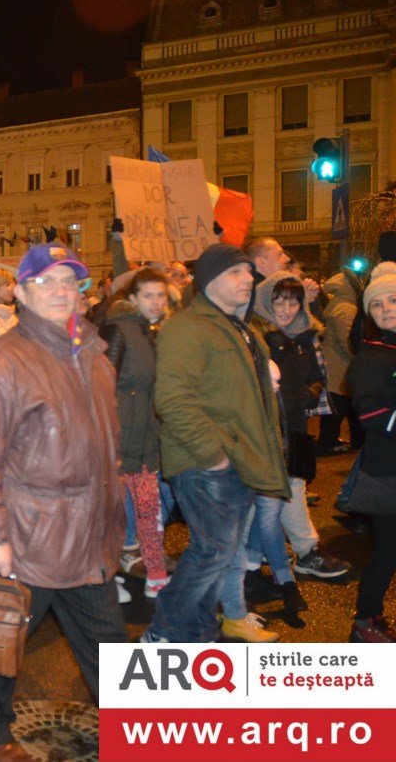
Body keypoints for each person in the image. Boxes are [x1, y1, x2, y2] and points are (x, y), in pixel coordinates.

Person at [0, 243, 125, 761]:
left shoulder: (94, 355)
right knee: (1, 636)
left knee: (109, 641)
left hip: (90, 533)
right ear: (22, 293)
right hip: (32, 535)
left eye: (69, 282)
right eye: (46, 282)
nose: (60, 291)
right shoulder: (2, 362)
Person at [142, 244, 290, 644]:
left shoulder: (238, 326)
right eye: (236, 272)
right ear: (210, 281)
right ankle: (163, 632)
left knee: (221, 553)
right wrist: (213, 456)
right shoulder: (187, 328)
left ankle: (197, 630)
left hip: (238, 458)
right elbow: (173, 399)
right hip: (206, 463)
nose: (248, 279)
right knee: (212, 552)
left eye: (249, 272)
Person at [246, 273, 347, 612]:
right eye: (279, 302)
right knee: (272, 495)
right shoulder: (258, 337)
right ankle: (294, 554)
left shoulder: (306, 334)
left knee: (292, 487)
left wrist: (311, 392)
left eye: (293, 302)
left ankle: (295, 554)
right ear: (266, 302)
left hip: (296, 427)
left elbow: (317, 376)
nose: (286, 309)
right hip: (266, 430)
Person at [99, 268, 170, 598]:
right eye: (148, 296)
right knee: (112, 513)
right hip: (118, 439)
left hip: (145, 439)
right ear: (133, 299)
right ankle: (106, 578)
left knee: (149, 509)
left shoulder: (153, 331)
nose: (156, 302)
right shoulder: (119, 330)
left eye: (161, 295)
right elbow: (102, 381)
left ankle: (156, 574)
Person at [346, 273, 396, 642]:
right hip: (388, 472)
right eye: (376, 304)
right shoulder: (371, 358)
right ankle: (365, 620)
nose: (385, 308)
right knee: (387, 551)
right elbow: (372, 416)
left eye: (393, 299)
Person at [318, 264, 366, 454]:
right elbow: (347, 340)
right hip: (339, 366)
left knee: (341, 406)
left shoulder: (340, 304)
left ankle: (335, 441)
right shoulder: (345, 308)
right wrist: (357, 359)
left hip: (338, 365)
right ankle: (327, 443)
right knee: (337, 407)